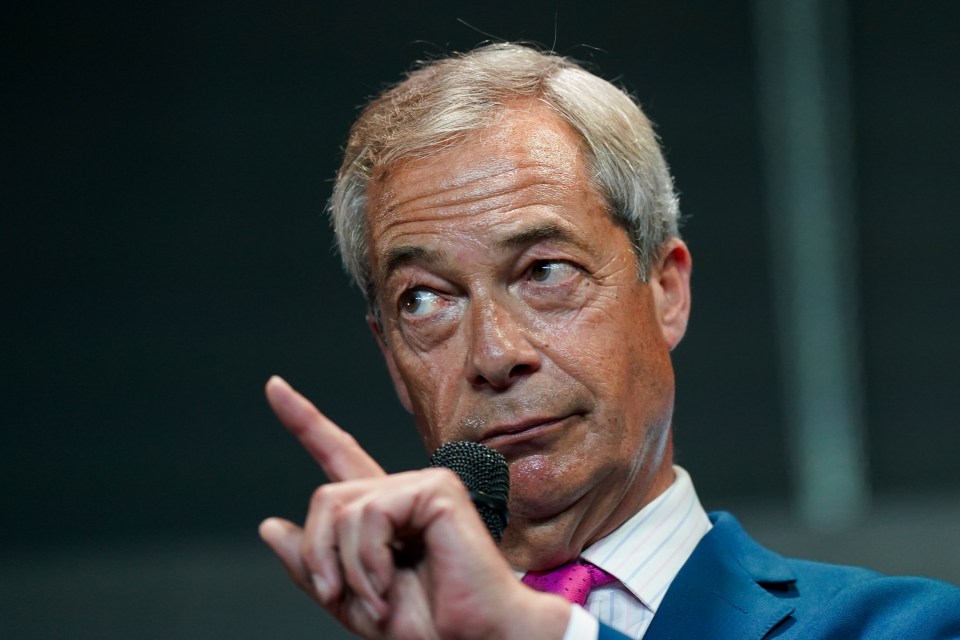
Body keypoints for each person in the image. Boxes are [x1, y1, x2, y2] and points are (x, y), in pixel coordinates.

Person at [258, 44, 960, 639]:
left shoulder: (910, 626)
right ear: (390, 356)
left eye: (544, 271)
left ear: (665, 291)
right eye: (425, 299)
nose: (495, 355)